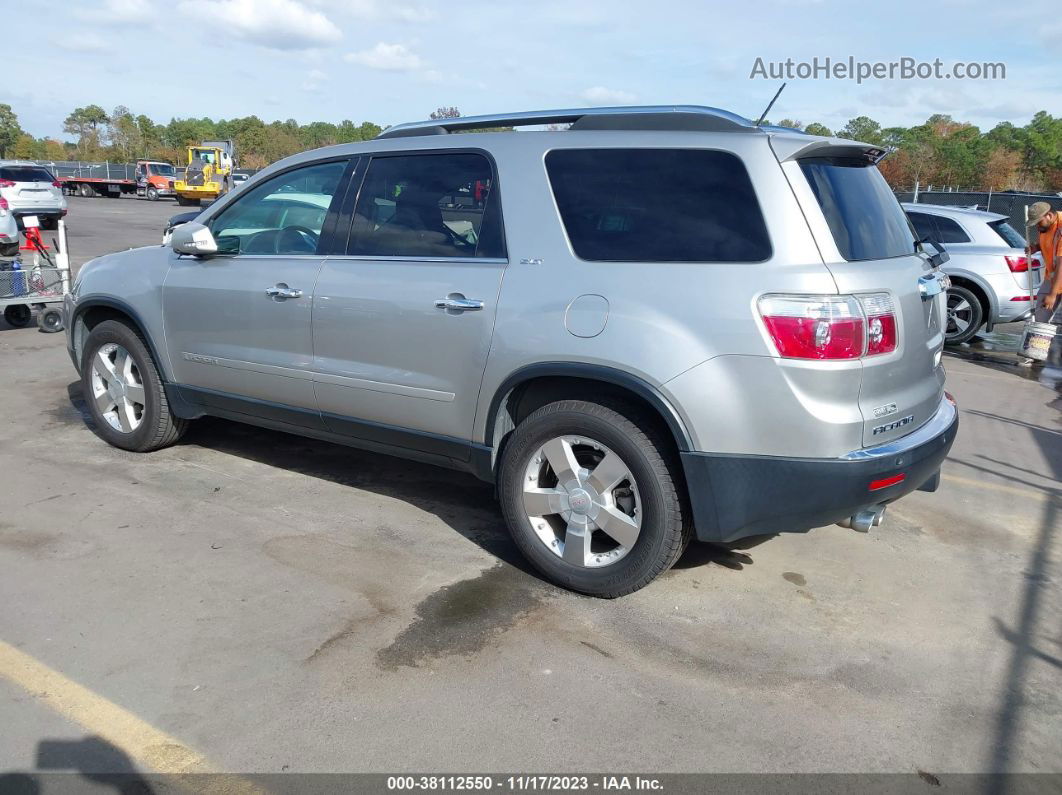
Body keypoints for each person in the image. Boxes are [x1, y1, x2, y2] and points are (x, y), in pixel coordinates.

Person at [1027, 201, 1061, 323]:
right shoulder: (1044, 226)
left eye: (1038, 222)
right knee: (1041, 317)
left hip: (1059, 274)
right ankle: (1038, 341)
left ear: (1049, 216)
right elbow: (1050, 245)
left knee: (1057, 323)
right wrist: (1036, 247)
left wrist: (1052, 294)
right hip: (1052, 277)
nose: (1037, 227)